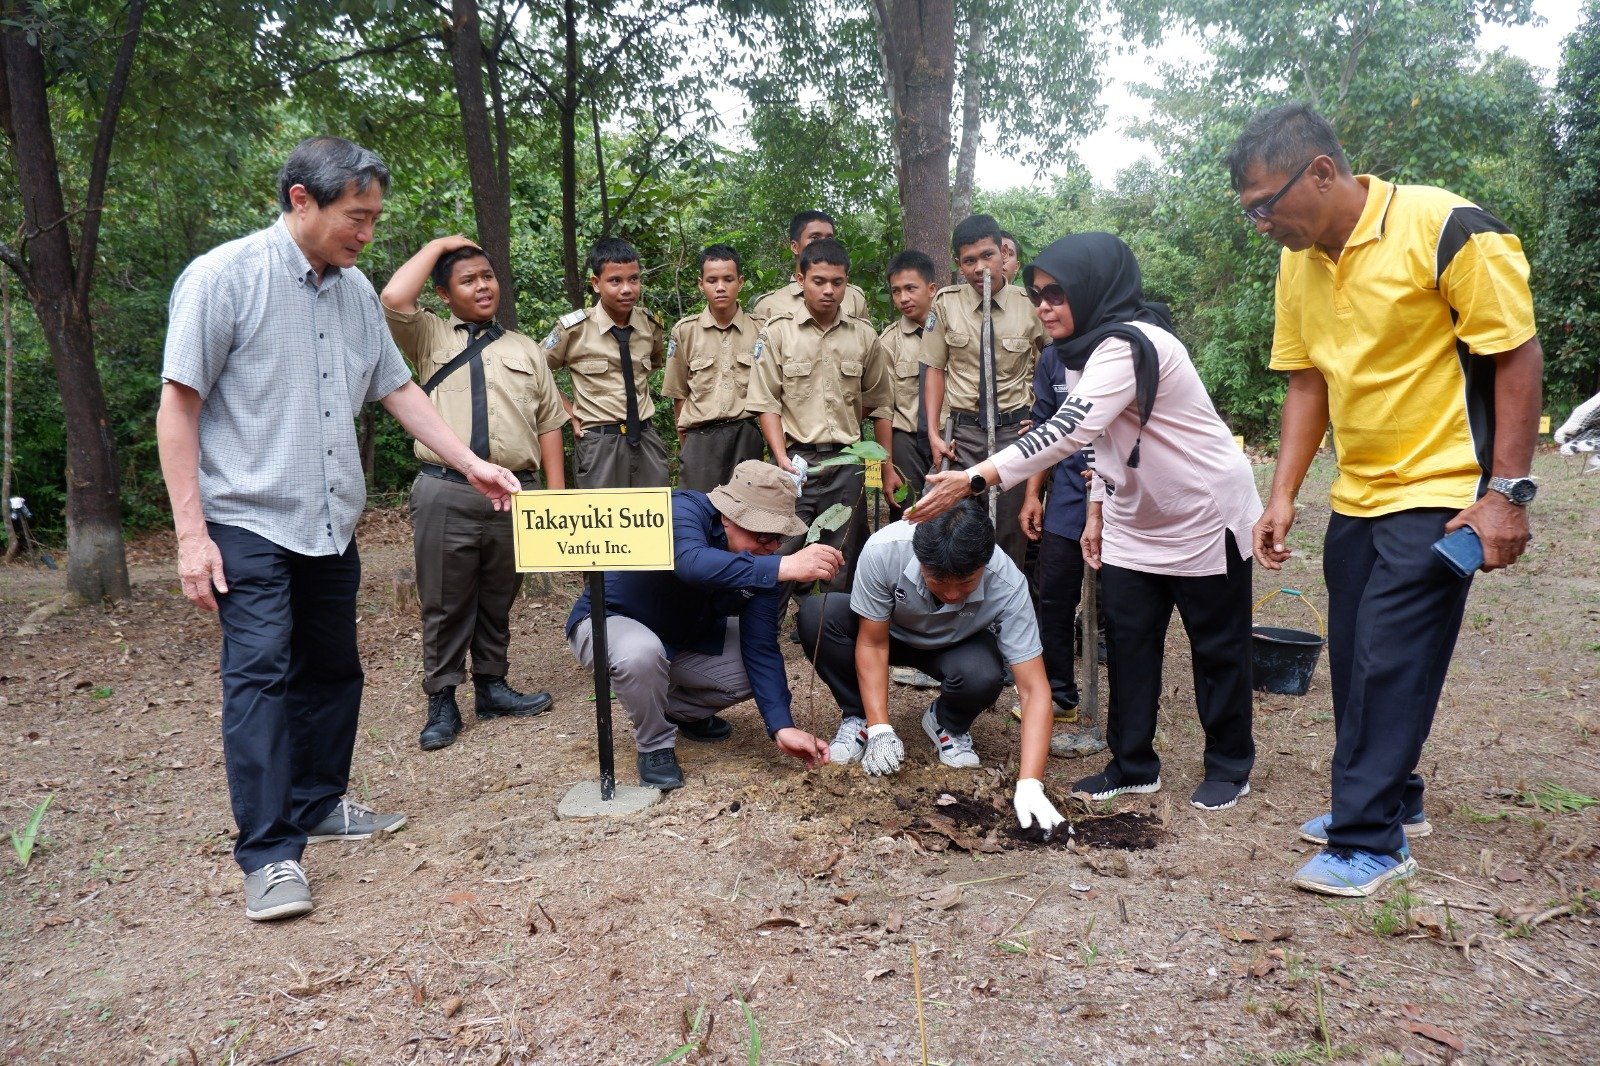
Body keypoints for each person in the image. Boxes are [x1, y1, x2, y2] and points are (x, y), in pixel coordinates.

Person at [156, 137, 523, 923]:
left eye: (374, 218)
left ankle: (320, 803)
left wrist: (470, 463)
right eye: (356, 217)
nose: (366, 233)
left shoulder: (355, 293)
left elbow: (398, 389)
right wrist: (193, 535)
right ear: (301, 200)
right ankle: (270, 853)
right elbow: (178, 406)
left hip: (329, 521)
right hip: (248, 520)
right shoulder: (225, 279)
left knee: (333, 670)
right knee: (259, 677)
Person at [1230, 103, 1543, 897]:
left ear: (1324, 173)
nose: (1262, 223)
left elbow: (1515, 352)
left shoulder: (1446, 227)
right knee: (1357, 656)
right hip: (1361, 490)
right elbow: (1308, 382)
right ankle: (1393, 800)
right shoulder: (1298, 264)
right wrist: (1284, 495)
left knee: (1391, 658)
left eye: (1268, 204)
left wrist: (1506, 494)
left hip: (1443, 488)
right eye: (1250, 212)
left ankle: (1370, 839)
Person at [913, 233, 1262, 814]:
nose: (1045, 305)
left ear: (1097, 291)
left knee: (1217, 647)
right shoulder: (1083, 352)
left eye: (1058, 294)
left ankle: (1229, 766)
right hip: (1134, 513)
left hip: (1202, 515)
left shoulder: (1132, 344)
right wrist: (1098, 509)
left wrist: (976, 477)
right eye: (1038, 294)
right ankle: (1132, 764)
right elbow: (1101, 442)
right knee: (1129, 642)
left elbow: (1068, 429)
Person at [381, 236, 567, 752]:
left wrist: (554, 497)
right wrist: (440, 244)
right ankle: (442, 698)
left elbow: (550, 423)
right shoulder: (428, 335)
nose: (483, 286)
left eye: (487, 276)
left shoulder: (526, 348)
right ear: (444, 293)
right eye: (468, 279)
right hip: (447, 489)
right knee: (444, 600)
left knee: (498, 594)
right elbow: (394, 299)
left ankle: (493, 685)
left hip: (514, 493)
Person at [565, 462, 844, 789]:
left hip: (682, 635)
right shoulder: (681, 509)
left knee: (748, 673)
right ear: (728, 516)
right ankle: (655, 744)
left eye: (779, 539)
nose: (771, 547)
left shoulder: (767, 566)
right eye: (764, 535)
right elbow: (691, 564)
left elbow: (761, 648)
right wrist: (782, 564)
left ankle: (678, 713)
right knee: (641, 653)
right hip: (611, 621)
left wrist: (782, 726)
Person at [796, 502, 1065, 832]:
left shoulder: (1007, 583)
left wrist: (1030, 784)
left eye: (965, 582)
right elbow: (873, 643)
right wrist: (881, 726)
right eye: (938, 580)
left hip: (955, 646)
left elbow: (1034, 690)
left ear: (985, 563)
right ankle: (860, 717)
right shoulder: (885, 550)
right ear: (920, 558)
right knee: (817, 614)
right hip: (886, 633)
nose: (952, 593)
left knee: (984, 673)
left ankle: (947, 722)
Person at [747, 238, 897, 587]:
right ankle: (767, 637)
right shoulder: (777, 333)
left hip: (847, 464)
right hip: (795, 464)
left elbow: (877, 400)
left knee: (841, 562)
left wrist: (850, 430)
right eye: (819, 281)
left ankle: (829, 636)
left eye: (837, 282)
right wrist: (781, 456)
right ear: (800, 280)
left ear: (847, 282)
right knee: (780, 557)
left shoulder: (864, 336)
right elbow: (766, 401)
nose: (828, 290)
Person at [920, 214, 1047, 568]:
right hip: (961, 435)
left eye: (988, 255)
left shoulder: (1031, 305)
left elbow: (1052, 368)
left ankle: (1004, 615)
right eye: (970, 260)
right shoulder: (946, 304)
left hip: (1014, 435)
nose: (981, 267)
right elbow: (934, 369)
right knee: (955, 530)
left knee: (1009, 536)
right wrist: (933, 431)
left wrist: (1041, 417)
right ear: (959, 265)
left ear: (1002, 251)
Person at [542, 237, 669, 488]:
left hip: (646, 440)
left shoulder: (650, 326)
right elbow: (535, 371)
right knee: (600, 522)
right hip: (599, 444)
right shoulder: (574, 330)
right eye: (615, 281)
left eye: (634, 279)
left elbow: (653, 365)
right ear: (596, 283)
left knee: (655, 521)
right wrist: (568, 413)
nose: (627, 289)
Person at [1017, 337, 1095, 738]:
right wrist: (1033, 494)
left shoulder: (1121, 348)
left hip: (1122, 490)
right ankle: (1061, 694)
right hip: (1066, 489)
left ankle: (1124, 711)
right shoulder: (1052, 358)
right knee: (1054, 591)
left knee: (1119, 603)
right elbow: (1043, 431)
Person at [660, 245, 765, 491]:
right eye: (712, 280)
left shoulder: (762, 331)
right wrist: (687, 448)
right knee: (699, 513)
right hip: (701, 439)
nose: (720, 287)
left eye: (728, 279)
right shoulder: (685, 331)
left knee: (745, 516)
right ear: (700, 284)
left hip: (745, 436)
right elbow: (679, 394)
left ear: (740, 282)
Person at [880, 250, 938, 517]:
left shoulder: (954, 331)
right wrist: (886, 466)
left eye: (910, 288)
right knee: (908, 516)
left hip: (952, 439)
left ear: (931, 288)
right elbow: (883, 410)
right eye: (896, 291)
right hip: (907, 442)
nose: (903, 298)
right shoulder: (890, 341)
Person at [749, 210, 872, 323]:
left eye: (829, 238)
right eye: (815, 238)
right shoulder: (768, 306)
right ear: (794, 247)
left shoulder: (853, 297)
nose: (824, 244)